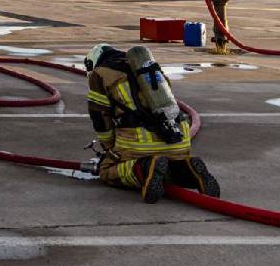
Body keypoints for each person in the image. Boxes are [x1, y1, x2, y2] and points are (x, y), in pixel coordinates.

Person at [85, 43, 220, 203]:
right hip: (179, 139)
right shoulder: (147, 66)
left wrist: (109, 149)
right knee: (166, 169)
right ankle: (188, 169)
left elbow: (99, 118)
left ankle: (143, 168)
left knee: (107, 170)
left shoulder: (99, 74)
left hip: (140, 143)